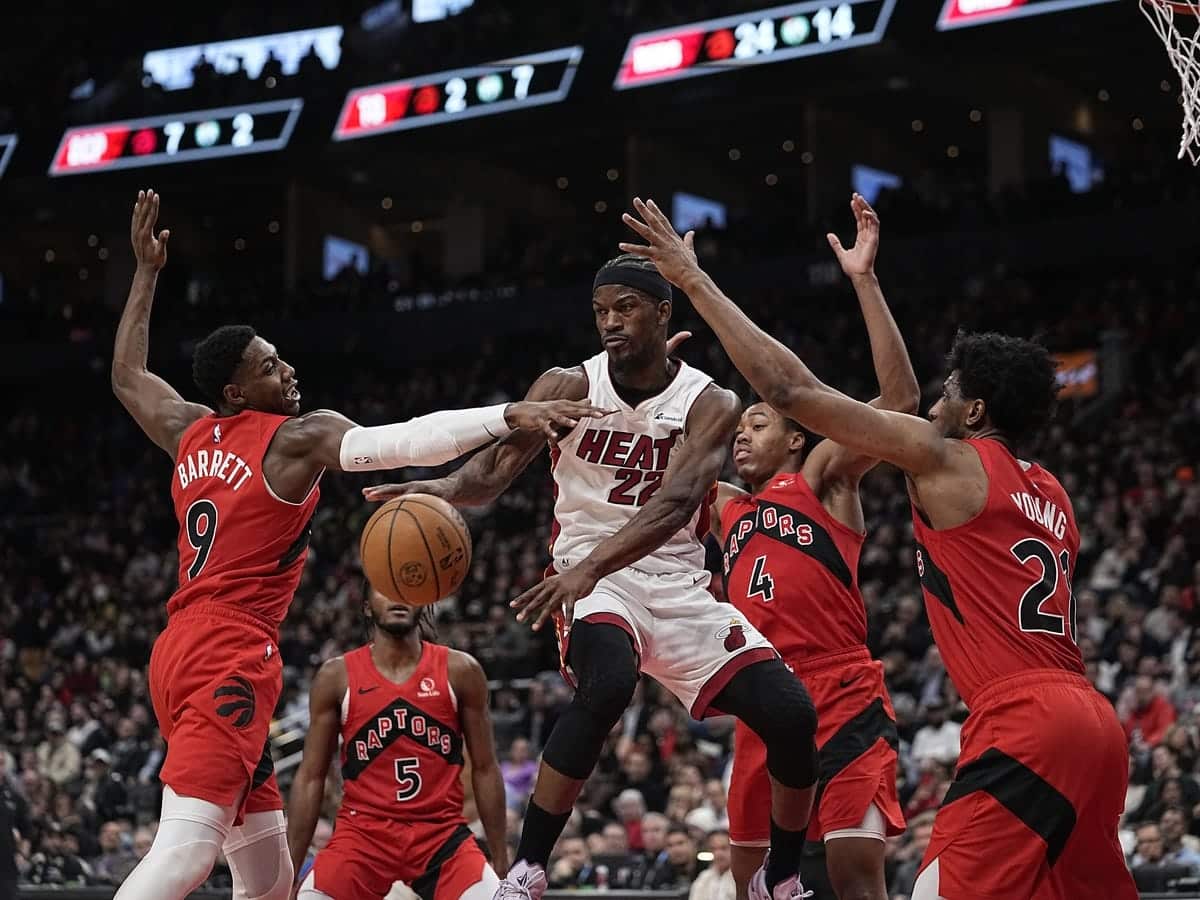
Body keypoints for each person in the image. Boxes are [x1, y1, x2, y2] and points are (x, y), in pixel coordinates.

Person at [619, 195, 1138, 900]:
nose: (932, 410)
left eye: (947, 397)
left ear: (976, 412)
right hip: (1093, 723)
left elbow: (793, 386)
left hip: (1013, 719)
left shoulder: (935, 461)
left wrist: (693, 281)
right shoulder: (1051, 493)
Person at [110, 190, 606, 900]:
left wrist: (145, 272)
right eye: (269, 366)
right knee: (186, 851)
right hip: (229, 651)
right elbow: (396, 442)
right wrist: (507, 415)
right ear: (235, 389)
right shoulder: (296, 436)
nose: (287, 371)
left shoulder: (188, 430)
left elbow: (128, 376)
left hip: (178, 648)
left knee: (270, 875)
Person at [367, 253, 821, 900]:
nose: (610, 321)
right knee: (609, 680)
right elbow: (494, 472)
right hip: (598, 583)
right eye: (601, 310)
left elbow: (673, 506)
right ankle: (526, 871)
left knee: (793, 715)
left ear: (663, 313)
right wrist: (443, 488)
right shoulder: (566, 386)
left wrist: (585, 569)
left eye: (626, 308)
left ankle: (780, 879)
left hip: (676, 584)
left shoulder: (710, 401)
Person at [712, 195, 910, 900]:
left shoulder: (822, 476)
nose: (742, 432)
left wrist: (864, 280)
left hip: (841, 689)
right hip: (761, 696)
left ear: (794, 436)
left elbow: (899, 397)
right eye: (738, 426)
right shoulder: (725, 507)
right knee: (752, 885)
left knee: (857, 871)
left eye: (757, 421)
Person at [286, 581, 506, 899]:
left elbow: (485, 768)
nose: (397, 597)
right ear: (365, 605)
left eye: (407, 588)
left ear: (424, 603)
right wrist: (291, 869)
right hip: (362, 836)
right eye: (384, 588)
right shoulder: (336, 676)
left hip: (441, 835)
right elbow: (310, 777)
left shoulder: (461, 670)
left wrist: (500, 860)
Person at [689, 831, 735, 900]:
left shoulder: (742, 877)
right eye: (713, 849)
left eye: (724, 848)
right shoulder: (704, 877)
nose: (718, 853)